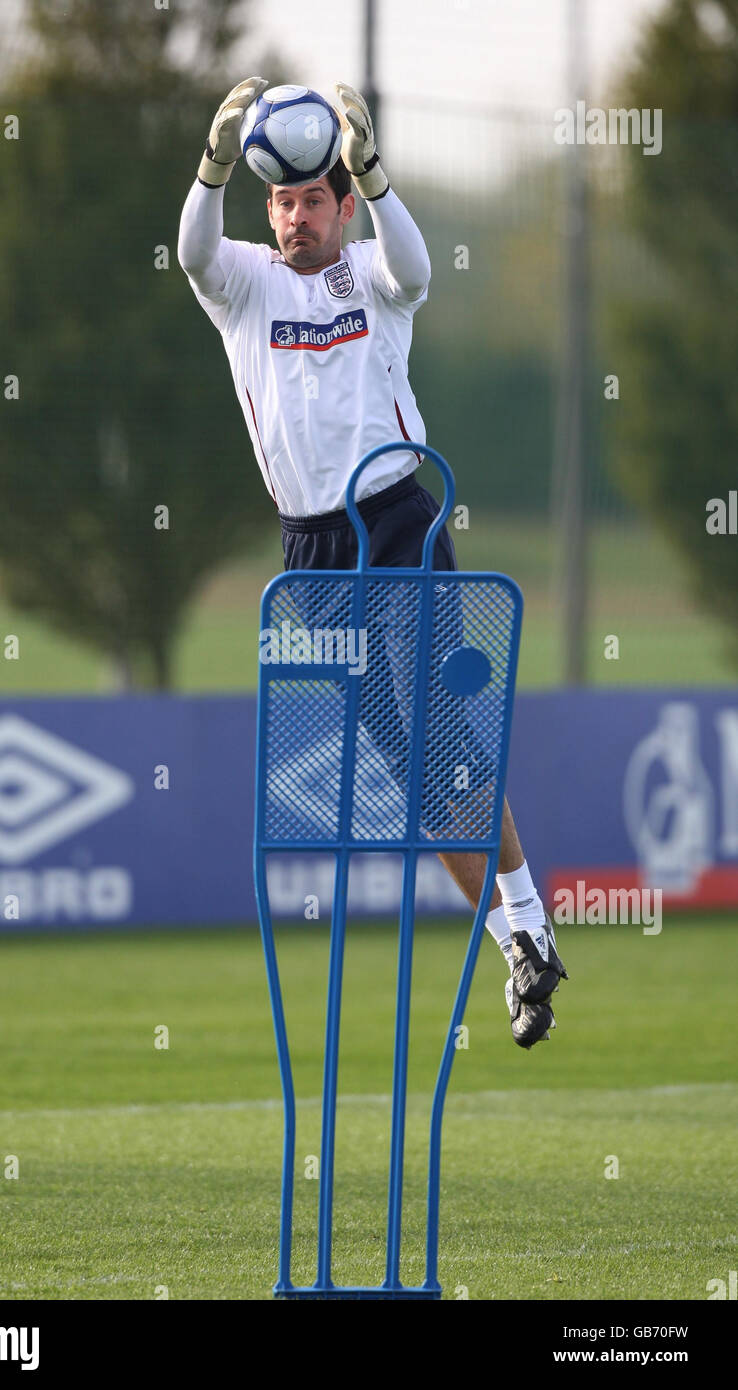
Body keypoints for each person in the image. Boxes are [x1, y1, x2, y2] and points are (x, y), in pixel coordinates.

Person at [178, 78, 567, 1047]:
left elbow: (416, 264)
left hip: (397, 524)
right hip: (311, 551)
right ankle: (523, 939)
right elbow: (189, 248)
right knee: (421, 773)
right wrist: (212, 165)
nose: (294, 216)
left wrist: (376, 172)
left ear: (339, 206)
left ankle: (525, 927)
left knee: (437, 740)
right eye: (281, 201)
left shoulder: (374, 277)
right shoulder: (244, 285)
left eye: (312, 200)